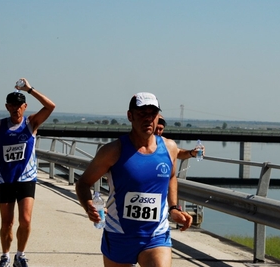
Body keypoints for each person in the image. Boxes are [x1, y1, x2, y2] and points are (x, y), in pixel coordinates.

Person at [75, 92, 193, 267]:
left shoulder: (169, 147)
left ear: (158, 117)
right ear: (130, 116)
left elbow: (172, 176)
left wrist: (174, 208)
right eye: (142, 114)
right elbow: (83, 183)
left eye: (152, 114)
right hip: (119, 233)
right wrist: (88, 206)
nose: (148, 119)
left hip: (156, 235)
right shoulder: (113, 151)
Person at [0, 78, 55, 267]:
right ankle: (5, 256)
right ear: (7, 106)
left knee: (26, 219)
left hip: (26, 177)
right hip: (5, 178)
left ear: (25, 106)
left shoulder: (31, 123)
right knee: (7, 223)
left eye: (20, 105)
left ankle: (20, 255)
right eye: (13, 105)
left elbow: (50, 106)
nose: (16, 109)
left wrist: (29, 89)